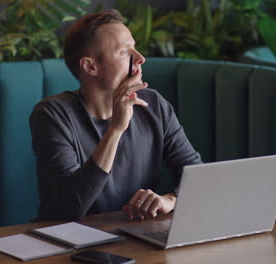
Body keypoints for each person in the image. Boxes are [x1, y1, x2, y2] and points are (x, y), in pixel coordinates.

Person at [29, 9, 201, 222]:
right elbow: (70, 208)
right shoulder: (52, 115)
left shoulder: (153, 104)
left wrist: (170, 199)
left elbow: (197, 177)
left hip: (134, 236)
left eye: (135, 48)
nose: (140, 59)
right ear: (90, 66)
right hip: (67, 244)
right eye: (125, 52)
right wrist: (115, 130)